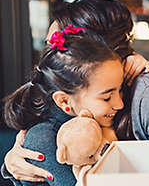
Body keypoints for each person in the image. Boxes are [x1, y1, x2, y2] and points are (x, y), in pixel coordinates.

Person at [2, 0, 149, 184]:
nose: (54, 56)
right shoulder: (79, 99)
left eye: (59, 46)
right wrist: (12, 161)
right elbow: (46, 136)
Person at [2, 26, 125, 186]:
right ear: (64, 101)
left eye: (120, 90)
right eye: (107, 97)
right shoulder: (43, 140)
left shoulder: (98, 113)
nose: (120, 104)